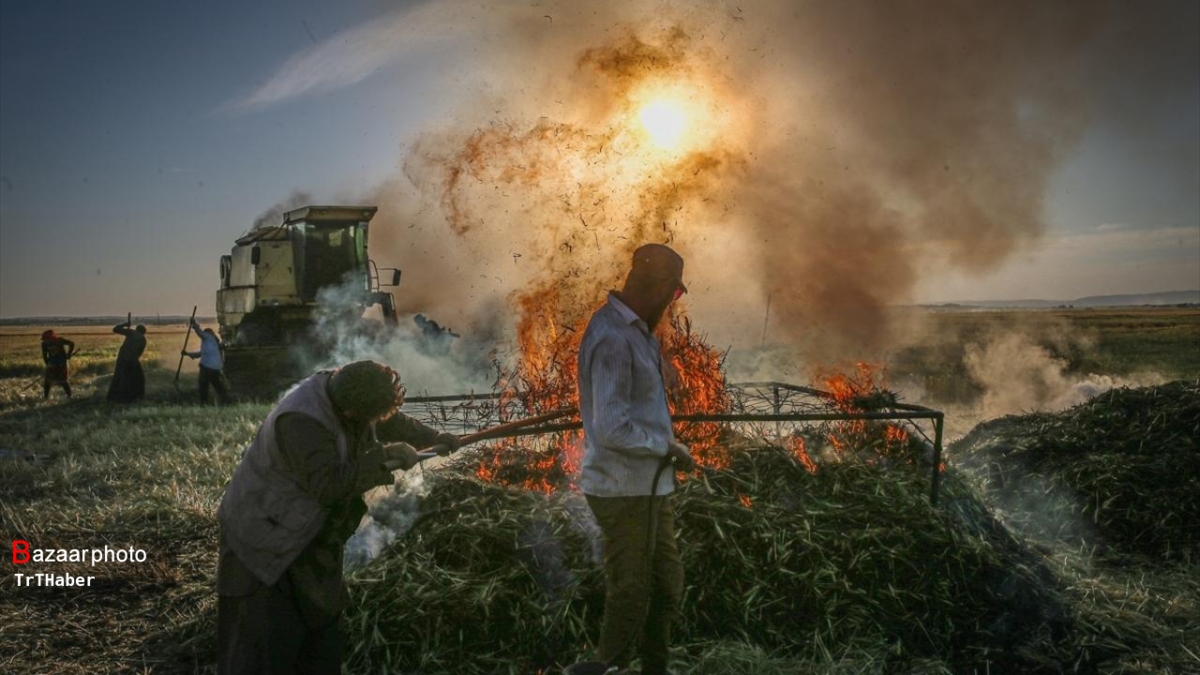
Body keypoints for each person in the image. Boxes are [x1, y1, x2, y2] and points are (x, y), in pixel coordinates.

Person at [216, 360, 462, 674]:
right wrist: (383, 458)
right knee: (266, 646)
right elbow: (328, 485)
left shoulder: (347, 391)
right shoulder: (301, 421)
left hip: (306, 536)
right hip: (265, 538)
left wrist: (434, 437)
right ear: (349, 413)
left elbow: (389, 422)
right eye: (367, 417)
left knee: (319, 636)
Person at [576, 243, 696, 675]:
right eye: (675, 295)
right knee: (632, 591)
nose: (672, 303)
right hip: (625, 489)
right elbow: (610, 429)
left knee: (664, 585)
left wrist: (660, 362)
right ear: (664, 287)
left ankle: (655, 669)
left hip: (647, 486)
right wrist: (668, 447)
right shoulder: (611, 338)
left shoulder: (632, 331)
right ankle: (610, 668)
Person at [181, 320, 231, 405]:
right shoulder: (214, 343)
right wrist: (187, 354)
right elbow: (199, 354)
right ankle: (227, 401)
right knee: (217, 385)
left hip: (207, 367)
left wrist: (194, 324)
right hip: (216, 367)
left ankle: (204, 403)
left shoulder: (208, 337)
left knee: (203, 384)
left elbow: (200, 333)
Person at [107, 321, 147, 403]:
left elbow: (115, 329)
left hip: (123, 360)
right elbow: (140, 353)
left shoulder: (131, 332)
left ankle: (115, 398)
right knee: (138, 379)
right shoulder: (143, 339)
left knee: (119, 378)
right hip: (133, 361)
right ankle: (136, 397)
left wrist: (124, 324)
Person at [40, 329, 76, 399]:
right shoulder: (44, 344)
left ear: (51, 338)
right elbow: (45, 356)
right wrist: (48, 364)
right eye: (44, 339)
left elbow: (71, 344)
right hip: (51, 364)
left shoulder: (59, 340)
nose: (45, 341)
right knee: (47, 382)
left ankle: (70, 396)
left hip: (62, 364)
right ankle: (46, 398)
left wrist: (69, 354)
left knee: (63, 381)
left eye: (46, 339)